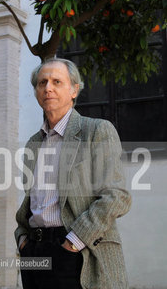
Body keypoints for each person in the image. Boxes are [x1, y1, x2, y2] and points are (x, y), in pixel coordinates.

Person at [15, 58, 131, 289]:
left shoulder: (96, 130)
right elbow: (32, 201)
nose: (48, 87)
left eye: (57, 81)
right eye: (42, 83)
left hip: (76, 250)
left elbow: (117, 196)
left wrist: (72, 243)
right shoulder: (33, 143)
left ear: (74, 90)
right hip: (34, 253)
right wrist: (22, 240)